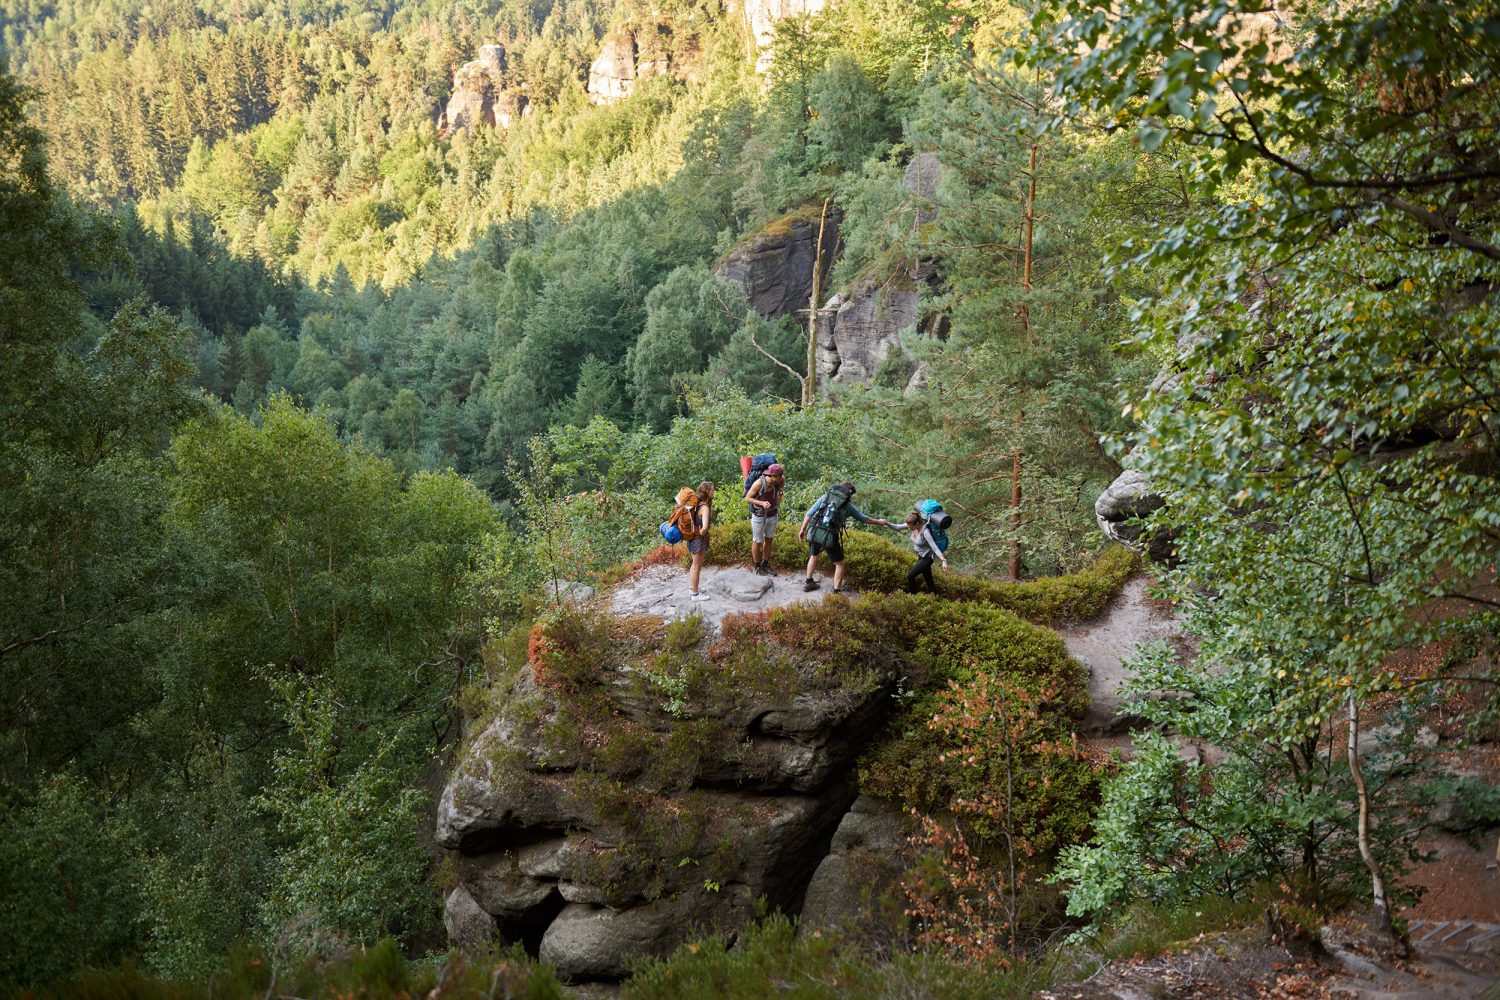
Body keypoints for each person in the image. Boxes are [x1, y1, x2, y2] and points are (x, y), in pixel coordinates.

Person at [798, 481, 890, 594]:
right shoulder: (848, 505)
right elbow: (864, 519)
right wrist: (879, 522)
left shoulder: (825, 497)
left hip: (815, 531)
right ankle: (836, 591)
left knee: (814, 555)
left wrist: (802, 529)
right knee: (840, 563)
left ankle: (808, 582)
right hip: (831, 536)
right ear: (849, 494)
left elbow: (809, 513)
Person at [744, 462, 785, 576]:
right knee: (757, 540)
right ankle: (756, 566)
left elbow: (780, 489)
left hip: (773, 514)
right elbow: (747, 498)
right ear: (772, 476)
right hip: (758, 515)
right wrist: (761, 503)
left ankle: (765, 564)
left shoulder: (780, 480)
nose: (781, 478)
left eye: (781, 475)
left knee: (769, 539)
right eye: (778, 476)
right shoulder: (759, 483)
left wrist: (779, 496)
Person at [902, 511, 948, 593]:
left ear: (917, 524)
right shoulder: (914, 528)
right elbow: (898, 527)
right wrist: (885, 523)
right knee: (928, 579)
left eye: (911, 527)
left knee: (910, 576)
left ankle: (913, 597)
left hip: (927, 558)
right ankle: (934, 596)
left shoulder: (925, 532)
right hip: (921, 556)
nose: (909, 529)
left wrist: (943, 560)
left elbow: (934, 547)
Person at [686, 480, 715, 601]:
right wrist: (702, 532)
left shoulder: (697, 503)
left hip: (692, 539)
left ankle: (692, 588)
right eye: (712, 490)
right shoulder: (705, 508)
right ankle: (696, 595)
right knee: (697, 567)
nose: (714, 492)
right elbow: (704, 528)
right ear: (707, 492)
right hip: (698, 540)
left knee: (694, 565)